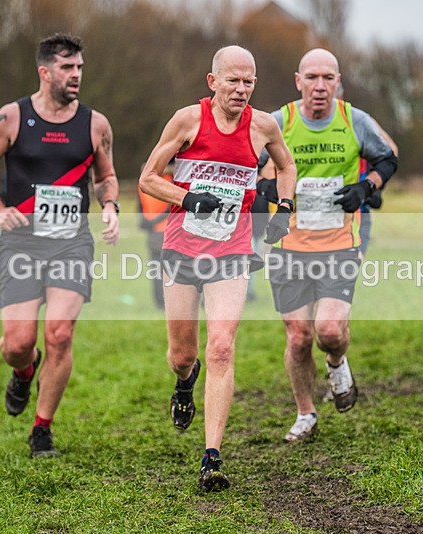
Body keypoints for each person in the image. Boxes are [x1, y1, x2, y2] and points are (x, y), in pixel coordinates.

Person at [138, 45, 296, 492]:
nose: (241, 89)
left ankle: (212, 456)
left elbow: (288, 166)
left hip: (232, 251)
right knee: (182, 354)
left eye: (249, 81)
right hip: (182, 250)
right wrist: (187, 198)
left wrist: (284, 205)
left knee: (222, 348)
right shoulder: (187, 120)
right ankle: (185, 382)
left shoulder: (264, 126)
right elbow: (148, 178)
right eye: (233, 80)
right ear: (213, 82)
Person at [0, 33, 120, 458]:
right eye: (68, 68)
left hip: (71, 245)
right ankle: (23, 371)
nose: (76, 75)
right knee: (17, 343)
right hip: (20, 243)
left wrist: (110, 205)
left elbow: (105, 176)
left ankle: (42, 428)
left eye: (80, 68)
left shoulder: (95, 124)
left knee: (59, 334)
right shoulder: (11, 118)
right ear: (45, 71)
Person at [257, 48, 398, 442]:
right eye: (312, 77)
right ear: (297, 80)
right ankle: (305, 413)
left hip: (339, 239)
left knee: (330, 330)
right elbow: (244, 164)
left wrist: (366, 187)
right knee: (298, 335)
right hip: (288, 242)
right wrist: (266, 186)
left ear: (338, 82)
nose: (320, 86)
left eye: (328, 78)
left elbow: (389, 157)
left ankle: (337, 363)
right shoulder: (278, 121)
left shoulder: (355, 120)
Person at [138, 160, 174, 309]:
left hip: (154, 231)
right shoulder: (169, 182)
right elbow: (171, 207)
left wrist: (146, 222)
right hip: (166, 231)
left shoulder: (143, 185)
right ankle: (165, 301)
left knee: (156, 268)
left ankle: (160, 301)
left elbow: (139, 208)